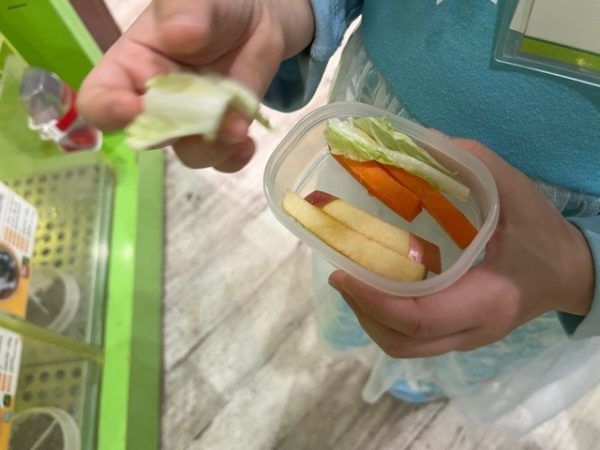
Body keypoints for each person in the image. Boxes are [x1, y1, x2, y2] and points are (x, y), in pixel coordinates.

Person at [79, 0, 600, 426]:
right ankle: (391, 363)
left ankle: (435, 380)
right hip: (377, 133)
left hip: (557, 242)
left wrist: (579, 267)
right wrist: (280, 10)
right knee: (364, 290)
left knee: (481, 345)